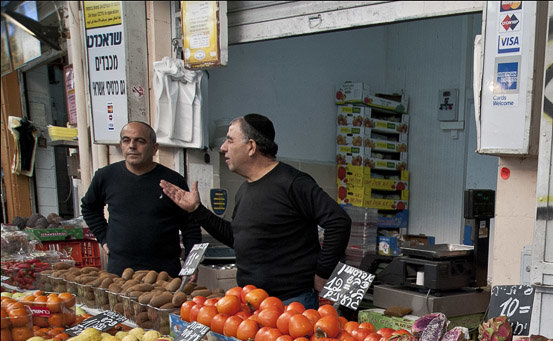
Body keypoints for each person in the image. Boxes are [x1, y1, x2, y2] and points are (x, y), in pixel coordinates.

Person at [160, 114, 350, 307]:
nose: (223, 148)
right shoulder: (244, 190)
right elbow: (236, 238)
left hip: (291, 305)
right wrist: (197, 210)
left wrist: (323, 272)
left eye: (229, 140)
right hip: (251, 302)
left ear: (251, 147)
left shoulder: (292, 182)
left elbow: (338, 221)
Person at [80, 121, 200, 276]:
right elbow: (89, 208)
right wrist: (104, 238)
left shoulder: (172, 181)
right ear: (121, 145)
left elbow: (190, 225)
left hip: (165, 273)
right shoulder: (105, 176)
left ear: (154, 148)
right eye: (126, 140)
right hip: (120, 271)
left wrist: (192, 265)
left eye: (140, 141)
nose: (132, 146)